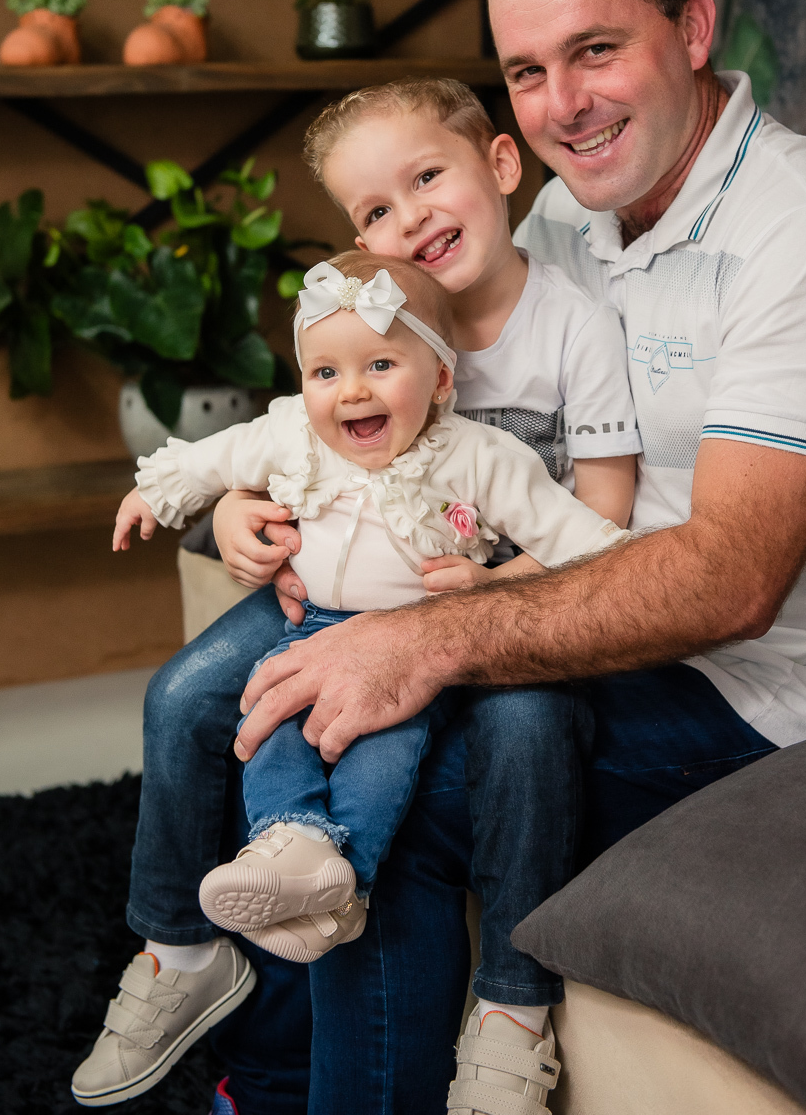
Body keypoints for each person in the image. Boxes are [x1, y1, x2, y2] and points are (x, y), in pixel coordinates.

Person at [193, 0, 806, 1114]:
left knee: (393, 785)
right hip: (582, 603)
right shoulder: (564, 215)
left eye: (594, 49)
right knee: (277, 709)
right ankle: (266, 1077)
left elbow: (728, 582)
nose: (562, 104)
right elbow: (414, 400)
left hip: (773, 694)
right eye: (527, 71)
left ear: (691, 27)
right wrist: (266, 497)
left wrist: (424, 636)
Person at [71, 252, 629, 1110]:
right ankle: (288, 848)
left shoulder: (480, 456)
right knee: (266, 727)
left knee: (375, 758)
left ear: (440, 379)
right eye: (325, 372)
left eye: (380, 365)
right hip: (308, 626)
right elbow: (215, 458)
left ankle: (343, 884)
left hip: (409, 649)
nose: (351, 391)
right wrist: (160, 496)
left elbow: (576, 536)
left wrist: (501, 584)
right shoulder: (292, 431)